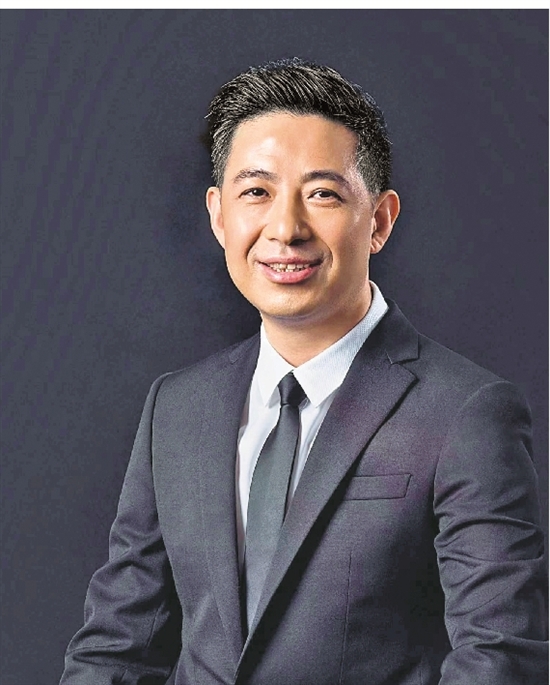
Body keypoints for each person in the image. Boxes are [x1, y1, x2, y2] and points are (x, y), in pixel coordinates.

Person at [60, 58, 547, 685]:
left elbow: (500, 656)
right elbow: (117, 648)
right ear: (218, 215)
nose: (286, 229)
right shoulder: (176, 407)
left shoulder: (466, 412)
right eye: (256, 193)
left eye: (323, 194)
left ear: (380, 221)